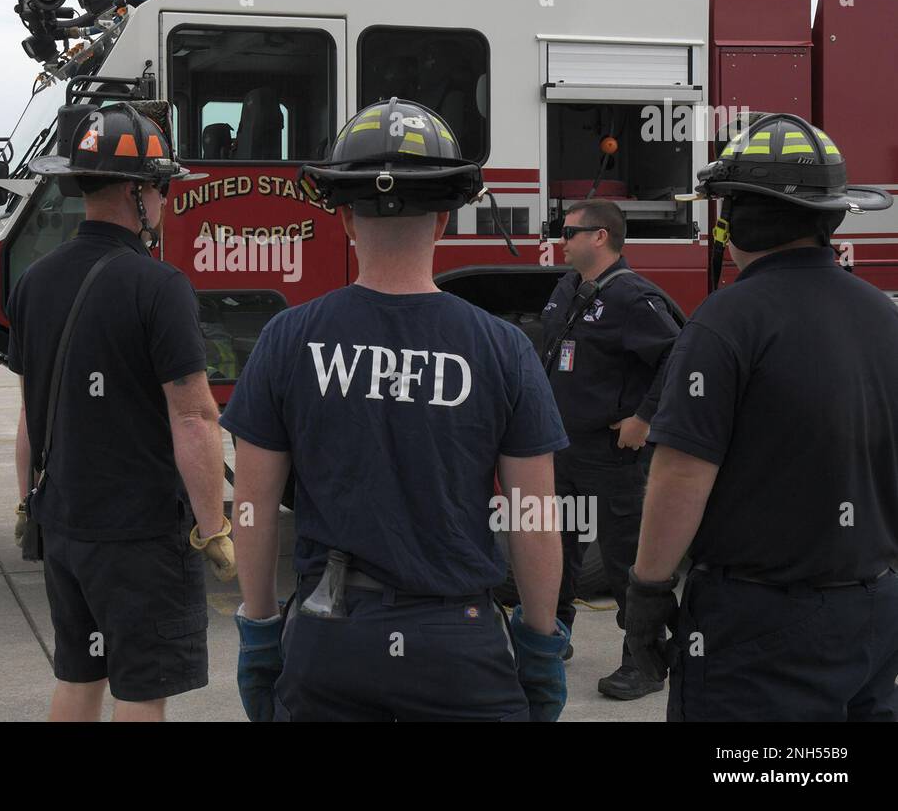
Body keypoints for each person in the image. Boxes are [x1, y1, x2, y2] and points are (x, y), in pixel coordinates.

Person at [225, 98, 570, 722]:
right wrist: (540, 644)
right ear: (442, 221)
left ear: (346, 221)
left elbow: (251, 510)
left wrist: (259, 628)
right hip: (461, 649)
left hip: (330, 642)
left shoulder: (287, 339)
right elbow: (533, 516)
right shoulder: (504, 348)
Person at [627, 113, 898, 721]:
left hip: (760, 627)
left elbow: (680, 476)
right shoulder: (884, 316)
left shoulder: (727, 321)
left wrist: (647, 590)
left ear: (741, 216)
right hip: (874, 613)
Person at [9, 101, 233, 722]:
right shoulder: (160, 286)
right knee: (139, 691)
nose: (166, 201)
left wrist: (28, 501)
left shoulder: (34, 280)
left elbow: (30, 413)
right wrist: (213, 527)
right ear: (139, 193)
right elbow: (194, 419)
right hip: (138, 534)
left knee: (80, 678)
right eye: (162, 188)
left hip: (65, 523)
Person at [538, 198, 680, 700]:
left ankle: (644, 661)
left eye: (570, 231)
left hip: (613, 454)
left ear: (600, 236)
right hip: (564, 448)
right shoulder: (567, 287)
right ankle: (553, 637)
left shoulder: (633, 298)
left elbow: (676, 358)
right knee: (555, 549)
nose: (562, 238)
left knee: (626, 561)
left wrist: (644, 418)